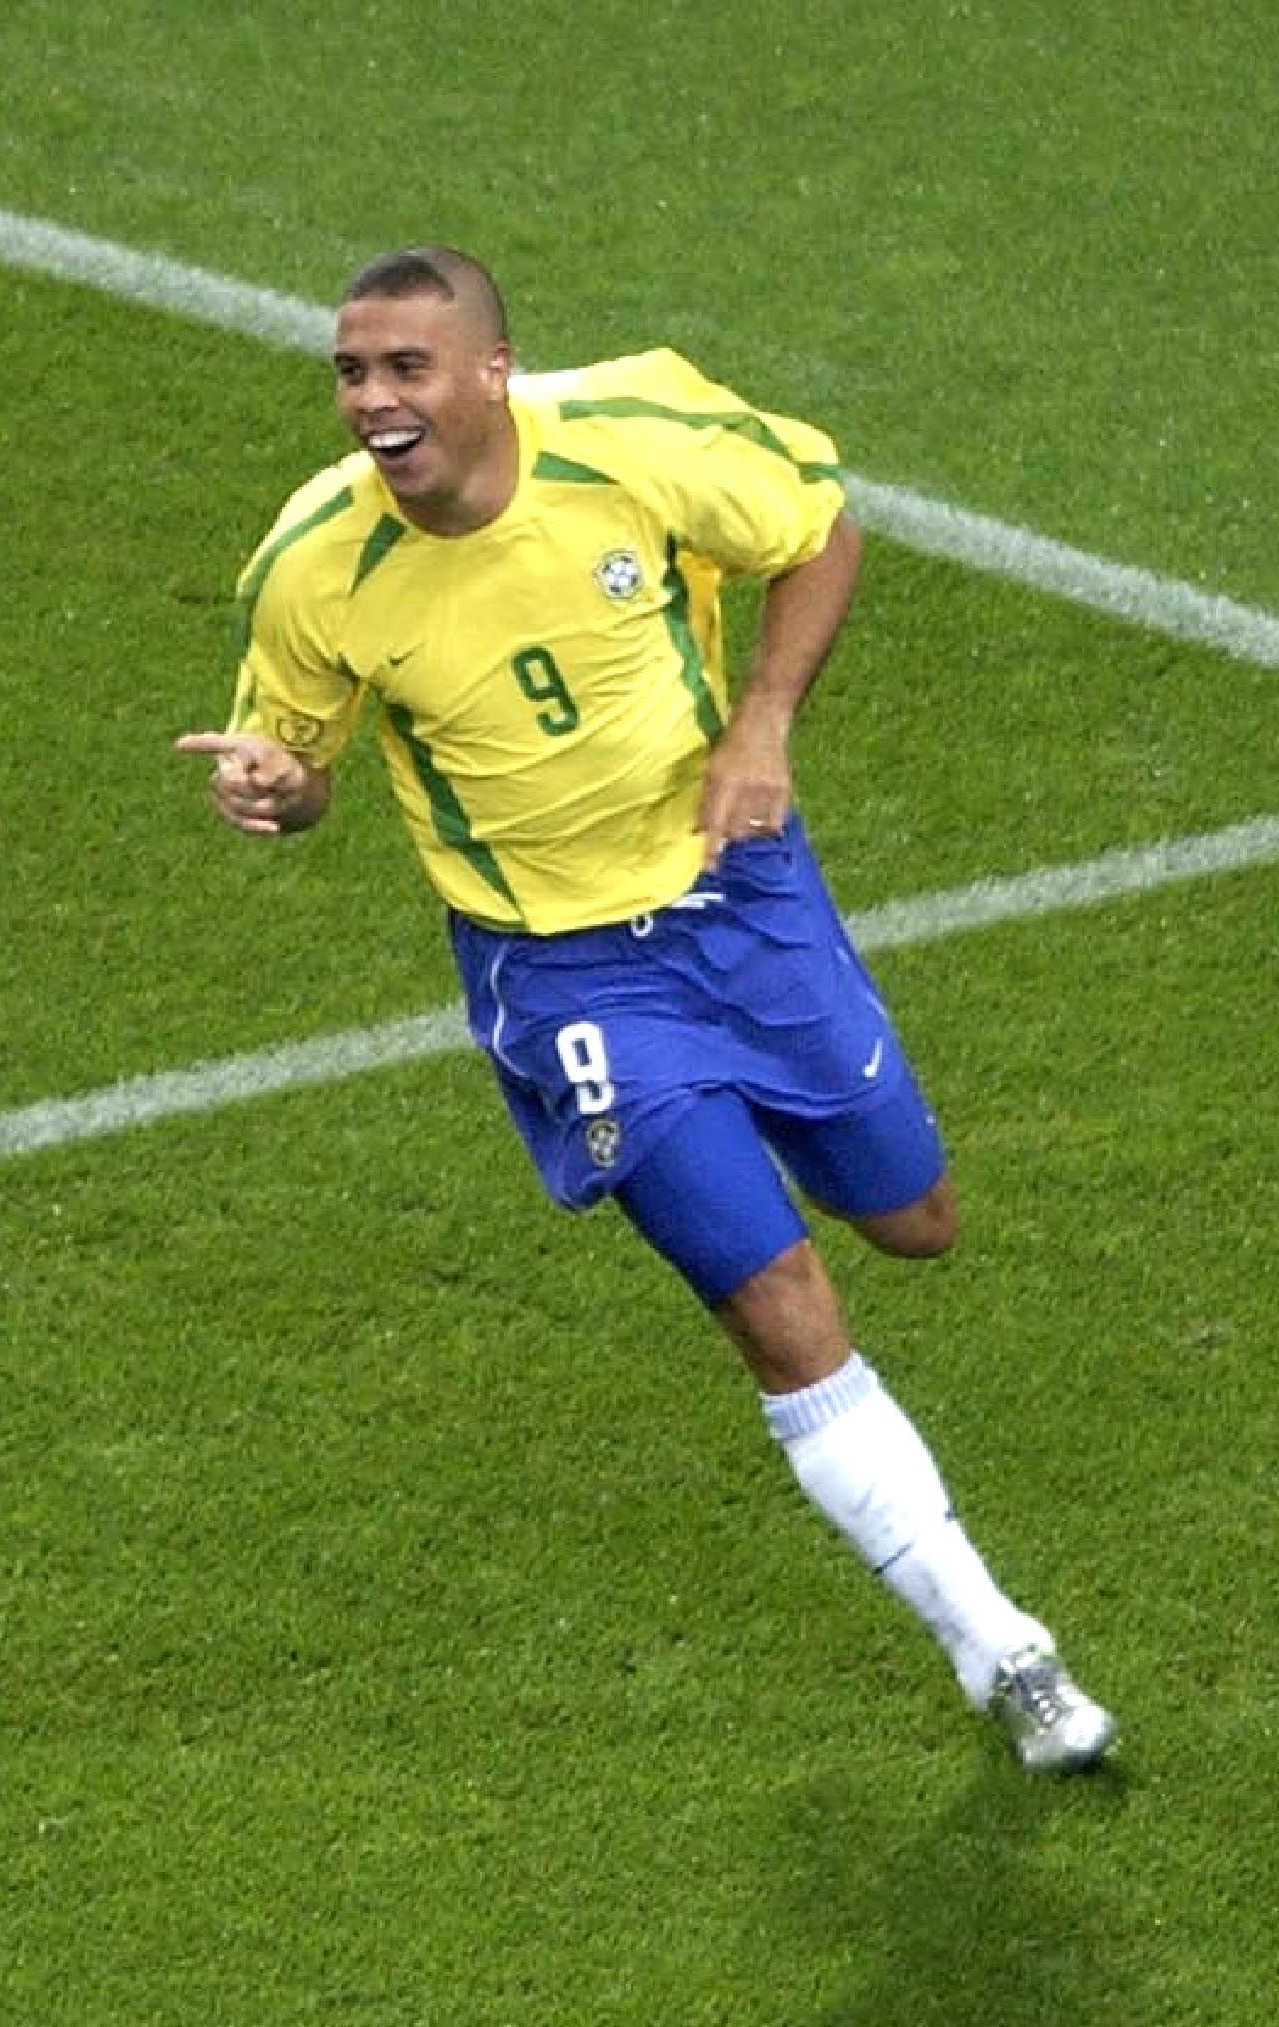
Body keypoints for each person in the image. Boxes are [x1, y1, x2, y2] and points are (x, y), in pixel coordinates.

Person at [175, 246, 1113, 1774]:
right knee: (783, 1309)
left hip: (739, 894)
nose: (372, 402)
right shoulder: (312, 566)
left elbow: (819, 532)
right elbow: (301, 764)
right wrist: (279, 794)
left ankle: (797, 1142)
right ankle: (1000, 1648)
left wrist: (765, 726)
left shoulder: (639, 436)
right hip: (563, 972)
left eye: (405, 369)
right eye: (351, 372)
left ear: (492, 371)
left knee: (917, 1219)